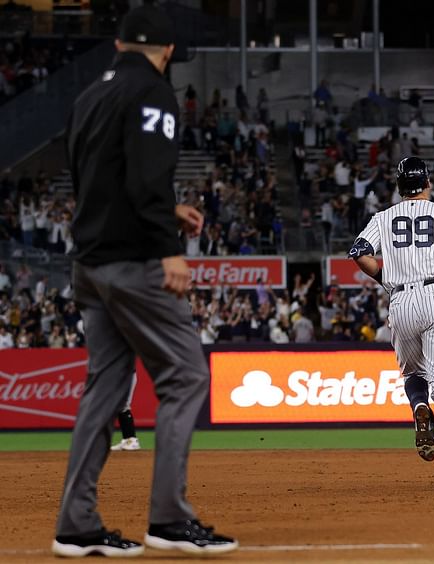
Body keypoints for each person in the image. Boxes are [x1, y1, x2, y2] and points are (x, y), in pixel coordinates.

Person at [53, 6, 237, 557]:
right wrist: (166, 247)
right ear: (167, 51)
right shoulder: (154, 93)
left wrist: (163, 210)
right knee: (184, 377)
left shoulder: (92, 94)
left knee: (103, 388)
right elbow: (147, 173)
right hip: (135, 264)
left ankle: (76, 525)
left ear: (118, 44)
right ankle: (169, 519)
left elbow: (91, 175)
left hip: (89, 263)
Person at [349, 156, 434, 491]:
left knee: (413, 375)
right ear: (428, 183)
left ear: (399, 186)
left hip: (401, 299)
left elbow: (359, 251)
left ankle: (419, 406)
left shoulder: (383, 217)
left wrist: (387, 278)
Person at [110, 372, 141, 451]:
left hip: (126, 376)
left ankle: (132, 440)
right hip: (117, 376)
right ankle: (127, 440)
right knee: (119, 405)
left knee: (123, 405)